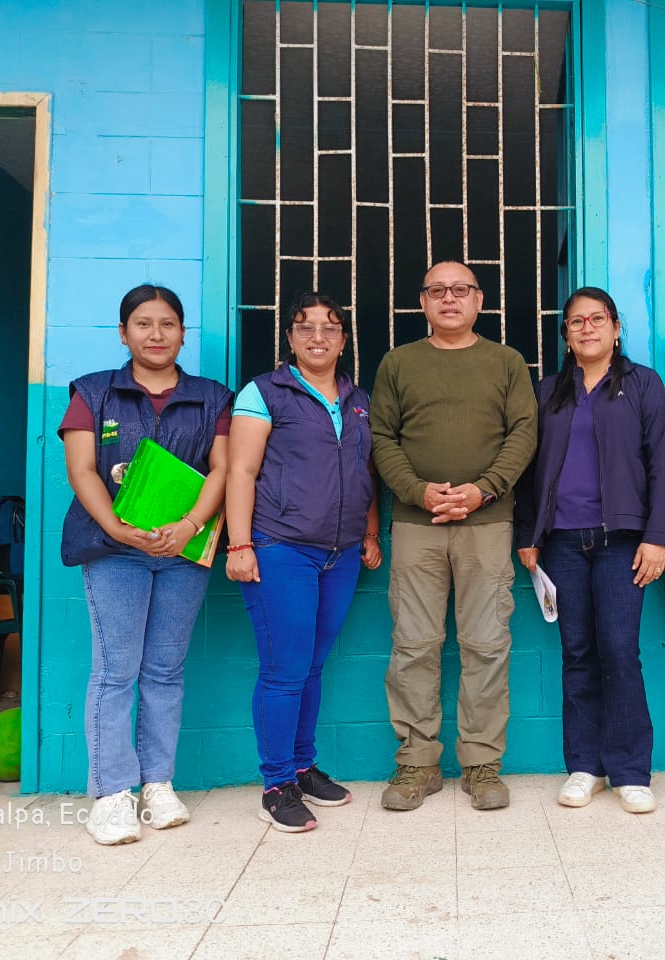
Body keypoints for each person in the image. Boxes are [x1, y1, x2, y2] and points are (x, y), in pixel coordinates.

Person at [60, 284, 232, 845]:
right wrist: (116, 527)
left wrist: (190, 526)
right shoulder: (93, 392)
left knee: (165, 671)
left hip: (183, 556)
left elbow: (222, 469)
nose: (156, 334)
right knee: (116, 671)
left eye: (167, 324)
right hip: (114, 553)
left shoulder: (212, 397)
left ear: (182, 334)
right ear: (123, 333)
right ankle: (112, 794)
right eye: (143, 323)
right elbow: (82, 469)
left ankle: (157, 783)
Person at [370, 261, 537, 811]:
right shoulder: (398, 363)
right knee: (414, 645)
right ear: (422, 302)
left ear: (479, 299)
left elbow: (523, 433)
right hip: (416, 525)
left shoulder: (506, 362)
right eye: (437, 290)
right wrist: (418, 492)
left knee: (486, 644)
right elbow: (381, 437)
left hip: (487, 523)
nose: (449, 299)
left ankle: (482, 765)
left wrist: (483, 490)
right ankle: (416, 764)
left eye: (460, 290)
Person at [225, 292, 382, 832]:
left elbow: (365, 470)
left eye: (330, 327)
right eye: (305, 327)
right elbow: (241, 472)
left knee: (311, 666)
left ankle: (301, 765)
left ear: (344, 340)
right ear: (290, 338)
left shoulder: (358, 399)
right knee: (284, 670)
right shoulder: (264, 392)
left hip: (341, 554)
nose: (318, 336)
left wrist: (369, 532)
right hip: (281, 547)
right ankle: (276, 784)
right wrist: (240, 545)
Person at [515, 287, 665, 814]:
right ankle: (585, 767)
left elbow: (660, 464)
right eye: (576, 322)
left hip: (622, 542)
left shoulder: (642, 384)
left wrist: (656, 536)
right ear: (565, 334)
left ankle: (630, 770)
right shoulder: (547, 391)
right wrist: (528, 534)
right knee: (577, 653)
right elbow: (527, 468)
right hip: (561, 541)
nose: (587, 328)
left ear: (616, 327)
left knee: (620, 651)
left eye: (597, 319)